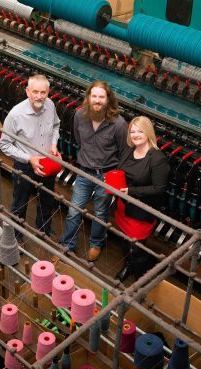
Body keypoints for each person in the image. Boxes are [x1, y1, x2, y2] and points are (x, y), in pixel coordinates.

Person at [59, 80, 126, 261]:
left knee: (100, 213)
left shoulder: (119, 124)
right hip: (84, 171)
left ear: (108, 100)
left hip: (106, 174)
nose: (97, 100)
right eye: (94, 96)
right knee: (74, 210)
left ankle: (96, 243)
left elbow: (123, 152)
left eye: (101, 97)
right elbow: (78, 139)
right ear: (88, 97)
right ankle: (67, 245)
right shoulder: (80, 115)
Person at [0, 74, 60, 240]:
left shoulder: (50, 105)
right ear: (27, 91)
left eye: (43, 92)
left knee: (47, 200)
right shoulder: (15, 115)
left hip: (47, 162)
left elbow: (56, 126)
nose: (39, 96)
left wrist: (54, 144)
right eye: (35, 92)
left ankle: (43, 230)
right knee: (20, 202)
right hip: (25, 166)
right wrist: (29, 158)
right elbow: (4, 144)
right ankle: (16, 236)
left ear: (48, 92)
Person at [115, 116, 170, 281]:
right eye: (132, 131)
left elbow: (159, 188)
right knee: (125, 240)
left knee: (137, 247)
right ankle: (128, 266)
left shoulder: (157, 158)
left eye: (140, 131)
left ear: (148, 133)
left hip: (141, 211)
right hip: (123, 205)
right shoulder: (128, 150)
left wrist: (131, 191)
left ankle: (141, 278)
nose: (135, 135)